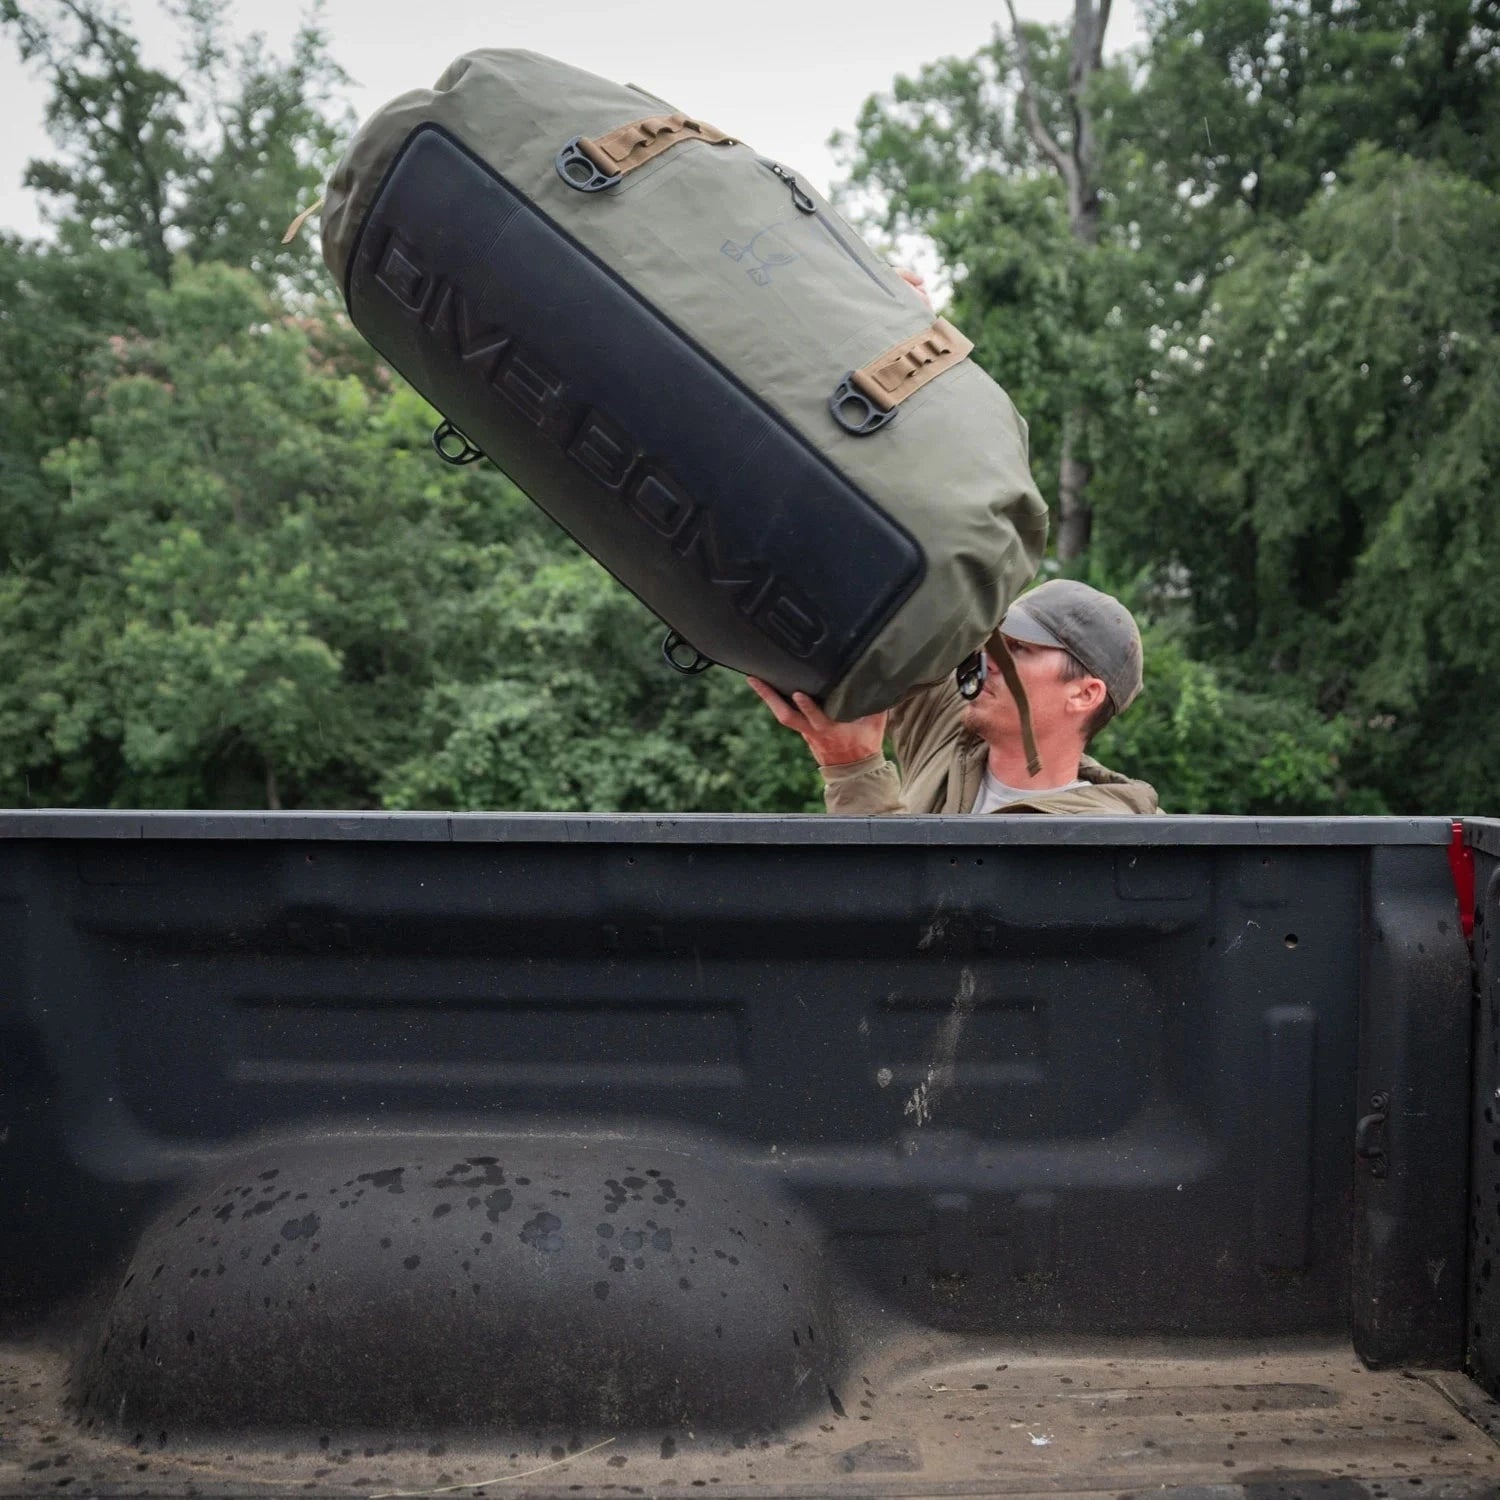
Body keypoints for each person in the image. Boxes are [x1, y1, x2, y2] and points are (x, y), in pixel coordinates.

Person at [748, 579, 1160, 815]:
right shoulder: (955, 722)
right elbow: (877, 628)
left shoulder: (1105, 837)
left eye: (1019, 650)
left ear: (1084, 694)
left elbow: (915, 930)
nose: (988, 660)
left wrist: (853, 771)